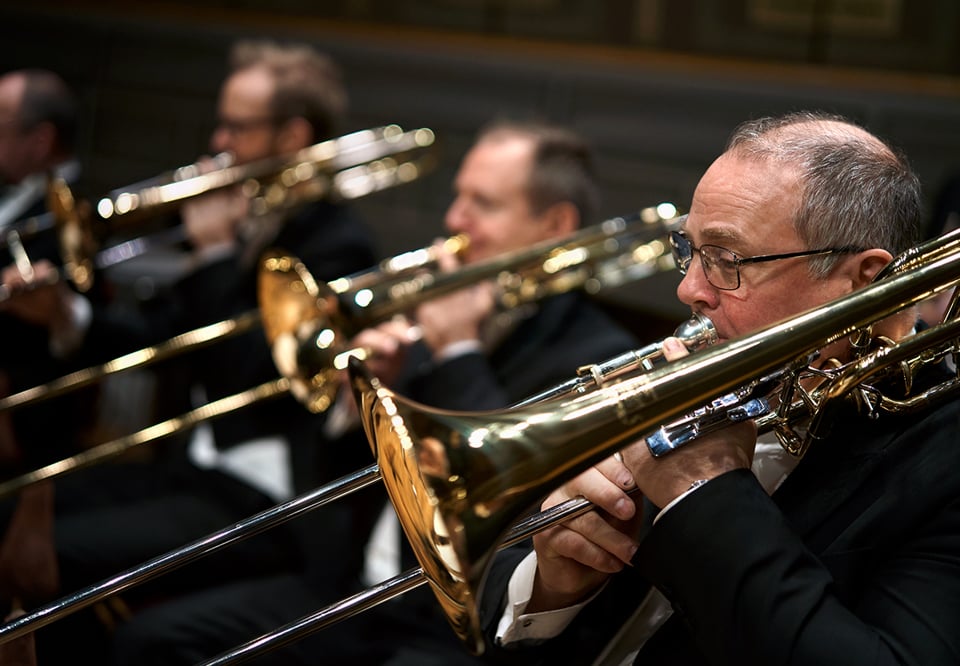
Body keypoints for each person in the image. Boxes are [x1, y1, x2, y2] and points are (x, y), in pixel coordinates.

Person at [108, 118, 644, 665]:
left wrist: (459, 351)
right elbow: (322, 487)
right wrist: (361, 399)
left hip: (457, 632)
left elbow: (519, 500)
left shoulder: (600, 356)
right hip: (352, 588)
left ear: (555, 224)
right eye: (458, 196)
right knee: (147, 642)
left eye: (482, 203)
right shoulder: (429, 311)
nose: (454, 219)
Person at [476, 111, 960, 665]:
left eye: (726, 259)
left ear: (862, 280)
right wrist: (556, 590)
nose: (689, 290)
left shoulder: (942, 460)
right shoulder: (700, 374)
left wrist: (703, 491)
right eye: (690, 251)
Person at [0, 39, 379, 663]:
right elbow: (165, 342)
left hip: (266, 497)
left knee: (59, 553)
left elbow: (243, 372)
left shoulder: (339, 245)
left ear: (292, 136)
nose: (218, 141)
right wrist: (66, 312)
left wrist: (215, 258)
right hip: (191, 466)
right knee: (12, 508)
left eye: (238, 126)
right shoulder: (243, 218)